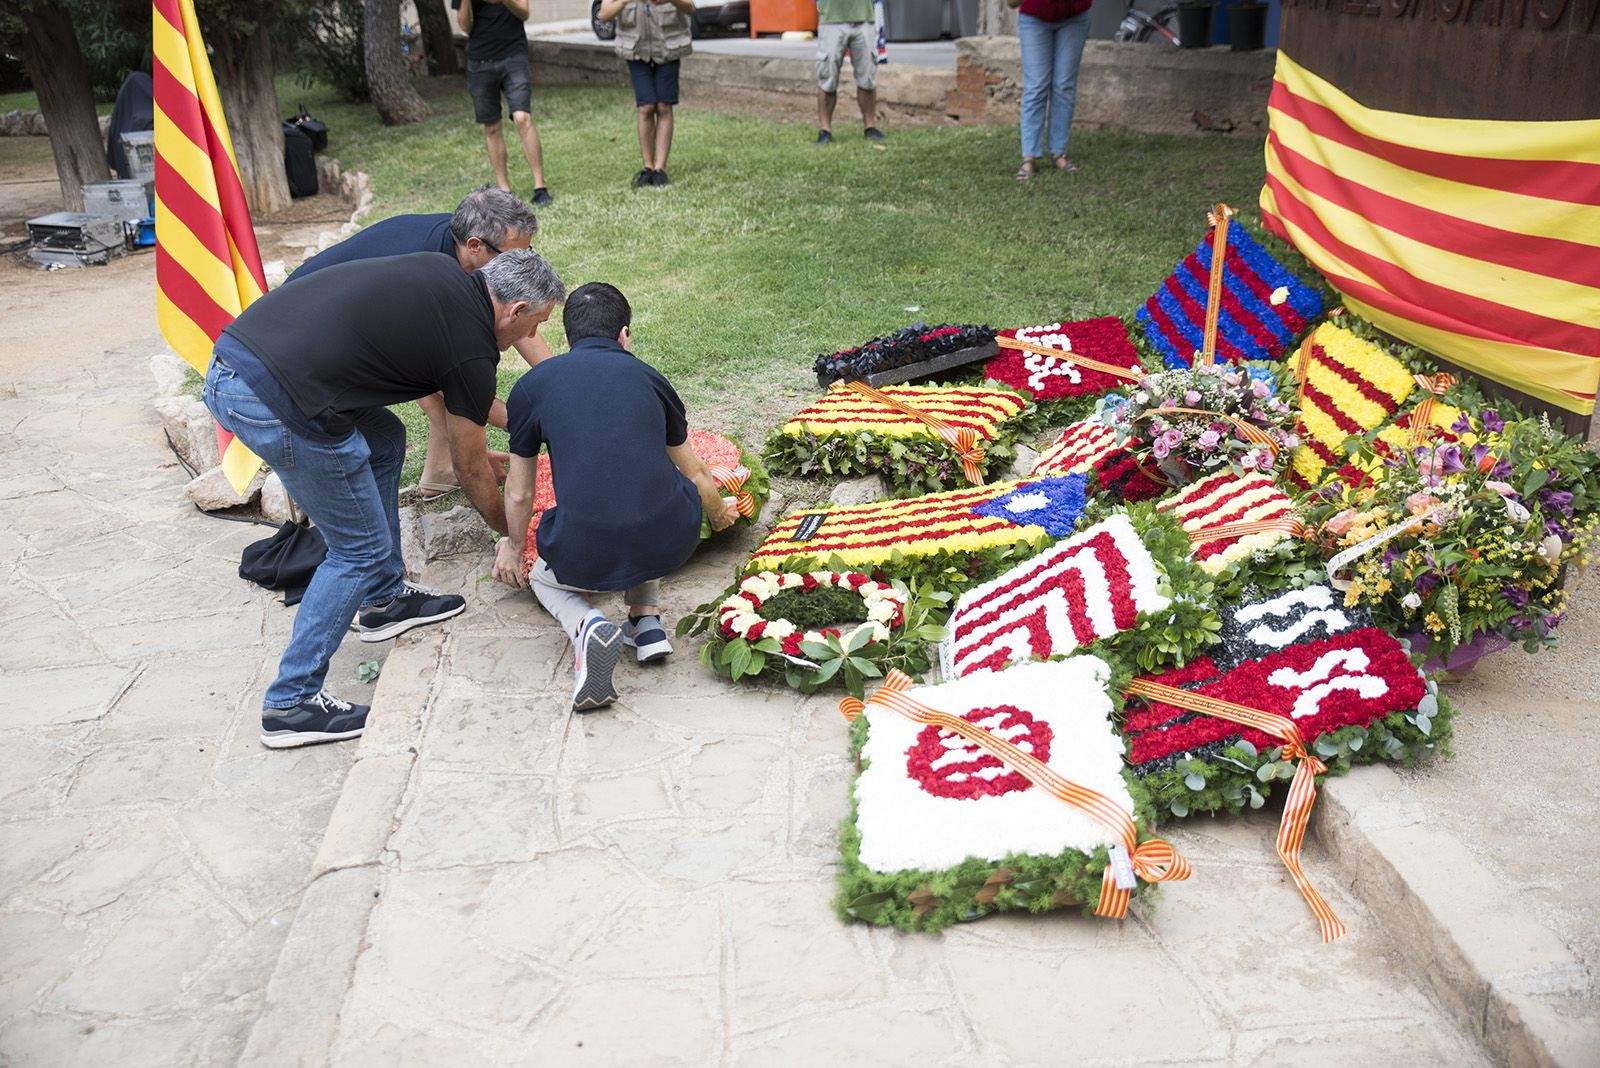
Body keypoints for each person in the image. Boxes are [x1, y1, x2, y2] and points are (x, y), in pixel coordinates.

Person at [205, 249, 566, 748]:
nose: (526, 339)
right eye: (533, 326)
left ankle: (384, 600)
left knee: (383, 438)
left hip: (238, 359)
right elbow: (468, 465)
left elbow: (471, 409)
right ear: (516, 309)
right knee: (358, 551)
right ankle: (291, 704)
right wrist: (513, 535)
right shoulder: (471, 345)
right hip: (271, 397)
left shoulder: (450, 278)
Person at [491, 283, 737, 712]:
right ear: (624, 335)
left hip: (587, 548)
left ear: (568, 339)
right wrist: (719, 514)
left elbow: (520, 490)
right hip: (670, 541)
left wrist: (513, 548)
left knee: (542, 577)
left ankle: (585, 624)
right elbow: (694, 471)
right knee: (652, 488)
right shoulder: (650, 378)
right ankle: (646, 623)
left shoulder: (533, 387)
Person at [288, 186, 547, 502]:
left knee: (428, 398)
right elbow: (443, 374)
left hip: (347, 324)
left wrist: (563, 381)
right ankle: (444, 468)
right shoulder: (430, 268)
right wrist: (531, 427)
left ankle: (441, 468)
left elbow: (517, 314)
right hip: (304, 334)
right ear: (476, 246)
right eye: (513, 256)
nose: (521, 265)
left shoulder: (466, 244)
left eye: (528, 252)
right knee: (442, 382)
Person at [454, 0, 553, 205]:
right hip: (480, 61)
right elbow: (465, 27)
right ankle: (504, 190)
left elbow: (524, 12)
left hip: (513, 55)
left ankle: (540, 187)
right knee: (491, 126)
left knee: (522, 118)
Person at [597, 0, 694, 187]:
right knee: (646, 107)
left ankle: (660, 170)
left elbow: (690, 7)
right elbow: (604, 14)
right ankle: (647, 167)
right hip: (635, 49)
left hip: (669, 46)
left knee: (664, 106)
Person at [1009, 0, 1091, 180]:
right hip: (1034, 17)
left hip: (1075, 16)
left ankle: (1059, 153)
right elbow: (1011, 3)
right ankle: (1028, 158)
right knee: (1036, 86)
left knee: (1064, 86)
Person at [814, 0, 884, 145]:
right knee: (828, 78)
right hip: (831, 20)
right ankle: (825, 130)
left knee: (867, 76)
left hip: (864, 18)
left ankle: (870, 127)